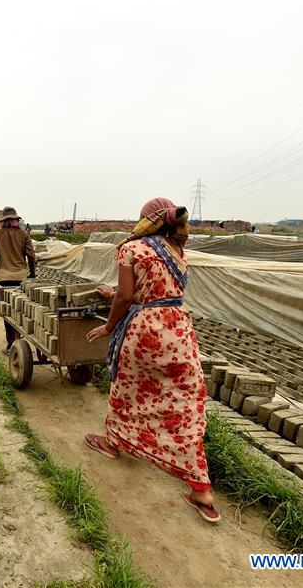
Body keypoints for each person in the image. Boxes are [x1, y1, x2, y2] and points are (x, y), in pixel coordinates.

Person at [83, 197, 220, 523]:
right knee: (183, 406)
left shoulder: (131, 249)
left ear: (146, 220)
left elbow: (128, 296)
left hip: (145, 332)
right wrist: (113, 293)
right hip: (179, 331)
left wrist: (108, 326)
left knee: (127, 390)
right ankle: (202, 491)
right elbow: (159, 288)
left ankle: (113, 443)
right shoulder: (178, 251)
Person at [0, 206, 35, 352]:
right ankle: (19, 339)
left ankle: (12, 343)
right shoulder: (24, 234)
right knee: (20, 310)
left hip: (4, 278)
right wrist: (32, 273)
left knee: (7, 312)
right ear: (15, 220)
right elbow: (31, 255)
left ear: (4, 221)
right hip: (21, 278)